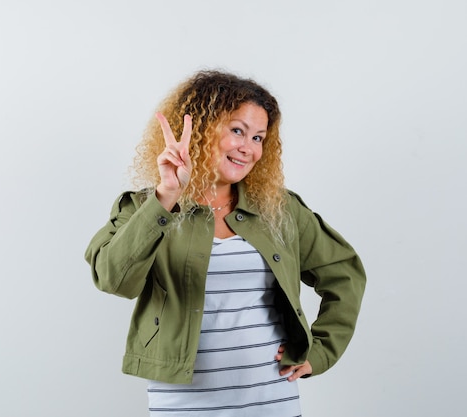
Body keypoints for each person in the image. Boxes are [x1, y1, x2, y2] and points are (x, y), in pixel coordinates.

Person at [85, 70, 366, 416]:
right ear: (203, 130)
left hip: (271, 400)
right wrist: (167, 195)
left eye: (259, 138)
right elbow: (114, 280)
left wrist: (320, 352)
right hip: (184, 404)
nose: (248, 149)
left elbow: (344, 274)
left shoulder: (279, 209)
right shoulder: (146, 207)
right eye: (238, 131)